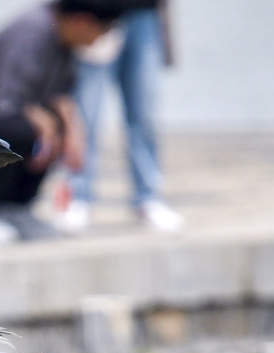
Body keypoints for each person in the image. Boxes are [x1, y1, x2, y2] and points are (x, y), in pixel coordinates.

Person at [0, 0, 126, 241]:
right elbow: (5, 102)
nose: (101, 38)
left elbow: (60, 94)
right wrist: (45, 124)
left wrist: (73, 133)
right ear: (81, 21)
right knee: (22, 132)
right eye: (103, 29)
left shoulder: (64, 41)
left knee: (53, 132)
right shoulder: (33, 30)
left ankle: (17, 208)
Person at [59, 0, 184, 232]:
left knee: (144, 114)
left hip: (143, 14)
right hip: (94, 12)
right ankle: (78, 196)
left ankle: (148, 197)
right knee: (86, 114)